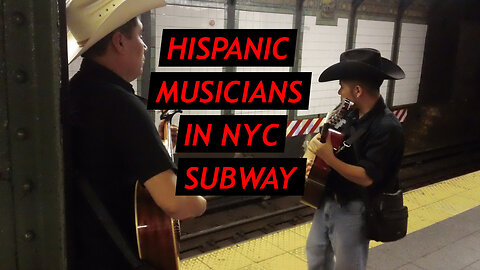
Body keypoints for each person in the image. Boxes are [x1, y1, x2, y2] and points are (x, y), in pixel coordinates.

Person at [66, 1, 206, 269]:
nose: (144, 46)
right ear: (119, 41)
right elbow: (177, 204)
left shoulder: (79, 90)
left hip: (84, 250)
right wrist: (200, 201)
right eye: (139, 36)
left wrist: (153, 142)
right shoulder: (119, 103)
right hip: (115, 257)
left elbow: (107, 157)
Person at [304, 48, 405, 270]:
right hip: (328, 202)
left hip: (355, 210)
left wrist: (328, 158)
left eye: (342, 86)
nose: (339, 91)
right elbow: (331, 145)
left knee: (349, 265)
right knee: (316, 252)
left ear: (357, 90)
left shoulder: (387, 128)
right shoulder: (347, 114)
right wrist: (315, 154)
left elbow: (367, 177)